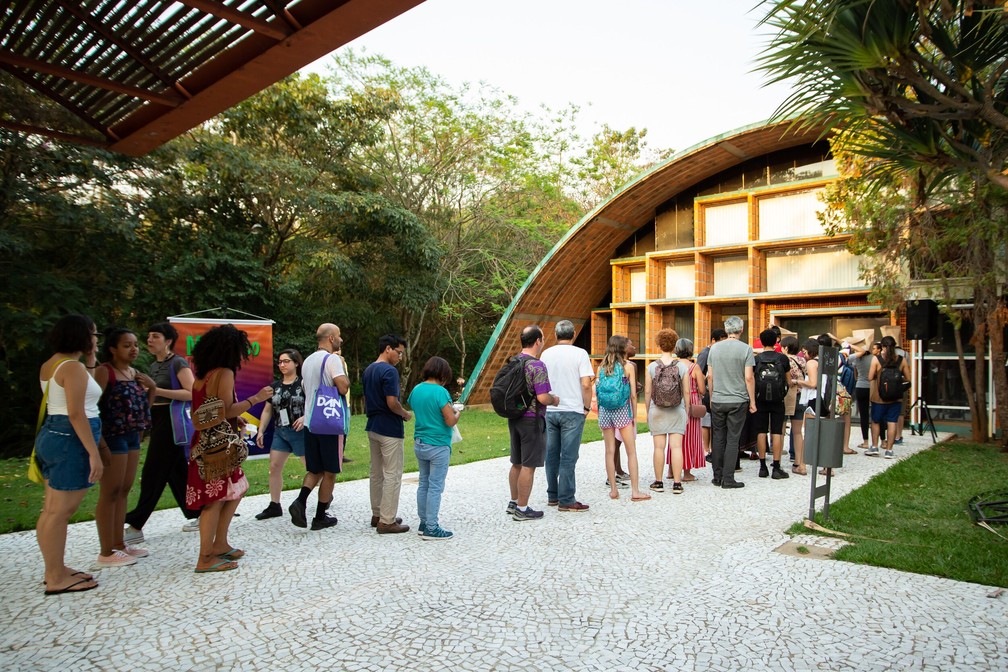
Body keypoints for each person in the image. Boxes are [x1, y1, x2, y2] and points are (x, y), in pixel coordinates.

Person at [185, 324, 273, 572]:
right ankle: (205, 557)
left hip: (205, 442)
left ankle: (220, 544)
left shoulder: (202, 376)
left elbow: (208, 411)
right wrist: (256, 399)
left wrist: (235, 419)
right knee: (215, 500)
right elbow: (225, 409)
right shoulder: (224, 373)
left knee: (234, 490)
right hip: (218, 446)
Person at [35, 314, 103, 595]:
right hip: (70, 439)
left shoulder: (53, 364)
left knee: (51, 509)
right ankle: (55, 576)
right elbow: (76, 413)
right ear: (83, 336)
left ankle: (56, 568)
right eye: (94, 335)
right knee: (61, 511)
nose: (96, 340)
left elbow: (85, 390)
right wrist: (93, 453)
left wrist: (90, 359)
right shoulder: (71, 368)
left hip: (55, 434)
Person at [124, 322, 197, 544]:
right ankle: (199, 512)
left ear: (168, 341)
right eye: (148, 336)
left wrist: (155, 389)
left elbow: (192, 392)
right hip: (157, 420)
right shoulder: (154, 366)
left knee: (152, 473)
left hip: (171, 421)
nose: (149, 340)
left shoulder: (178, 363)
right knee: (176, 473)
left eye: (155, 336)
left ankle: (136, 524)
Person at [93, 327, 152, 567]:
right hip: (112, 436)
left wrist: (153, 388)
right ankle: (106, 550)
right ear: (112, 348)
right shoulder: (104, 372)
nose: (134, 349)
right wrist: (100, 442)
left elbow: (142, 406)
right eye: (127, 345)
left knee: (125, 489)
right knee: (110, 491)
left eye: (135, 344)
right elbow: (92, 407)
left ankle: (119, 543)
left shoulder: (134, 373)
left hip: (132, 436)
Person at [288, 324, 348, 531]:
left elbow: (306, 388)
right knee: (330, 471)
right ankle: (320, 516)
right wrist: (342, 372)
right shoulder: (332, 359)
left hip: (311, 421)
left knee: (315, 468)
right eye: (339, 336)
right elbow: (342, 386)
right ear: (331, 338)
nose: (341, 340)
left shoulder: (307, 362)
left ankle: (300, 501)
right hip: (329, 423)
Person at [506, 325, 559, 520]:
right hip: (532, 420)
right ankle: (522, 508)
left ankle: (513, 502)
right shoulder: (537, 365)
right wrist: (555, 399)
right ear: (537, 341)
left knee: (516, 462)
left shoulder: (513, 362)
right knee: (529, 465)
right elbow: (543, 398)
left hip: (514, 418)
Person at [540, 320, 594, 512]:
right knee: (569, 457)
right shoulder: (580, 353)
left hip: (551, 409)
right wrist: (586, 408)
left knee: (551, 455)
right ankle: (567, 499)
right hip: (572, 409)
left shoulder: (546, 354)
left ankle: (552, 495)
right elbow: (586, 384)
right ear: (573, 335)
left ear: (556, 335)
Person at [407, 356, 461, 539]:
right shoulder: (441, 392)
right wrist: (457, 413)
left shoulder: (416, 390)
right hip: (438, 445)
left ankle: (423, 522)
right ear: (443, 374)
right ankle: (432, 527)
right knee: (435, 487)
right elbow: (449, 420)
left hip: (420, 442)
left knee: (424, 483)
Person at [363, 334, 411, 534]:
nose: (400, 357)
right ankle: (387, 520)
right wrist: (405, 414)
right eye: (399, 352)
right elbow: (392, 402)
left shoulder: (369, 369)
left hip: (372, 425)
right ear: (388, 349)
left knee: (376, 473)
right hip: (389, 428)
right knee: (392, 474)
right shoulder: (389, 371)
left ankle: (378, 514)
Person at [597, 334, 650, 502]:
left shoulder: (601, 367)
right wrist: (633, 415)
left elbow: (598, 392)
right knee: (631, 451)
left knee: (609, 451)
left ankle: (613, 490)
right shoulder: (628, 366)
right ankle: (635, 491)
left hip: (605, 411)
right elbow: (633, 395)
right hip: (622, 410)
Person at [254, 349, 306, 520]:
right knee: (274, 467)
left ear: (296, 363)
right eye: (280, 362)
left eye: (286, 361)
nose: (282, 364)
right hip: (280, 431)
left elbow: (314, 403)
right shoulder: (274, 387)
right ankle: (274, 504)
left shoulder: (304, 384)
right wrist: (261, 430)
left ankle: (324, 495)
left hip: (300, 432)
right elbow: (268, 409)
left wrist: (306, 417)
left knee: (311, 468)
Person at [706, 316, 755, 489]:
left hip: (718, 398)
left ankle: (717, 476)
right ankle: (728, 478)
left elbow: (710, 376)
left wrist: (712, 396)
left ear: (726, 330)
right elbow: (749, 377)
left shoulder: (714, 349)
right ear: (741, 329)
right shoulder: (746, 349)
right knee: (733, 439)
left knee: (718, 437)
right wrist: (752, 401)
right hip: (738, 399)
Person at [643, 329, 688, 494]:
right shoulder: (682, 367)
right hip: (677, 409)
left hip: (657, 409)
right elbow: (687, 392)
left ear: (658, 344)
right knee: (676, 447)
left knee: (658, 448)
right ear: (675, 345)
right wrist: (687, 410)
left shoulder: (652, 367)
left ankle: (659, 482)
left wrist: (648, 410)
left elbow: (648, 392)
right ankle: (677, 484)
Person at [753, 328, 791, 480]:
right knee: (777, 432)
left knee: (761, 431)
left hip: (760, 399)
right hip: (777, 400)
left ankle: (762, 467)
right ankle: (776, 467)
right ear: (776, 341)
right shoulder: (782, 359)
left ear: (761, 342)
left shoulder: (756, 359)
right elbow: (788, 381)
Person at [868, 335, 912, 458]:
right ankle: (889, 450)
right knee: (892, 422)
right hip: (896, 397)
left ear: (882, 346)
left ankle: (875, 447)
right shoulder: (901, 360)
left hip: (878, 397)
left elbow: (870, 377)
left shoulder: (877, 360)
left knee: (876, 421)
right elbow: (908, 379)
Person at [677, 339, 706, 482]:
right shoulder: (694, 367)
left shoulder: (673, 365)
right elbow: (702, 389)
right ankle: (687, 472)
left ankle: (672, 470)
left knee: (676, 436)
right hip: (692, 402)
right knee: (690, 436)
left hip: (675, 402)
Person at [695, 328, 727, 461]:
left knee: (713, 422)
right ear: (713, 340)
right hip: (707, 392)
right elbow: (699, 373)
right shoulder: (705, 353)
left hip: (716, 391)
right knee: (706, 422)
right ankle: (706, 450)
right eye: (721, 342)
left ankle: (713, 450)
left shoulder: (717, 352)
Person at [781, 336, 808, 475]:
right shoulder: (803, 360)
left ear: (786, 348)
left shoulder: (784, 360)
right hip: (800, 396)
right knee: (798, 432)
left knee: (780, 430)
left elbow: (786, 379)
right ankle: (800, 463)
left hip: (787, 397)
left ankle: (777, 463)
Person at [849, 339, 873, 449]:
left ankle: (866, 441)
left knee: (864, 415)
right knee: (876, 414)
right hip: (872, 387)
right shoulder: (874, 359)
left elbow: (855, 375)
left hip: (860, 386)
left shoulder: (856, 359)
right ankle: (882, 441)